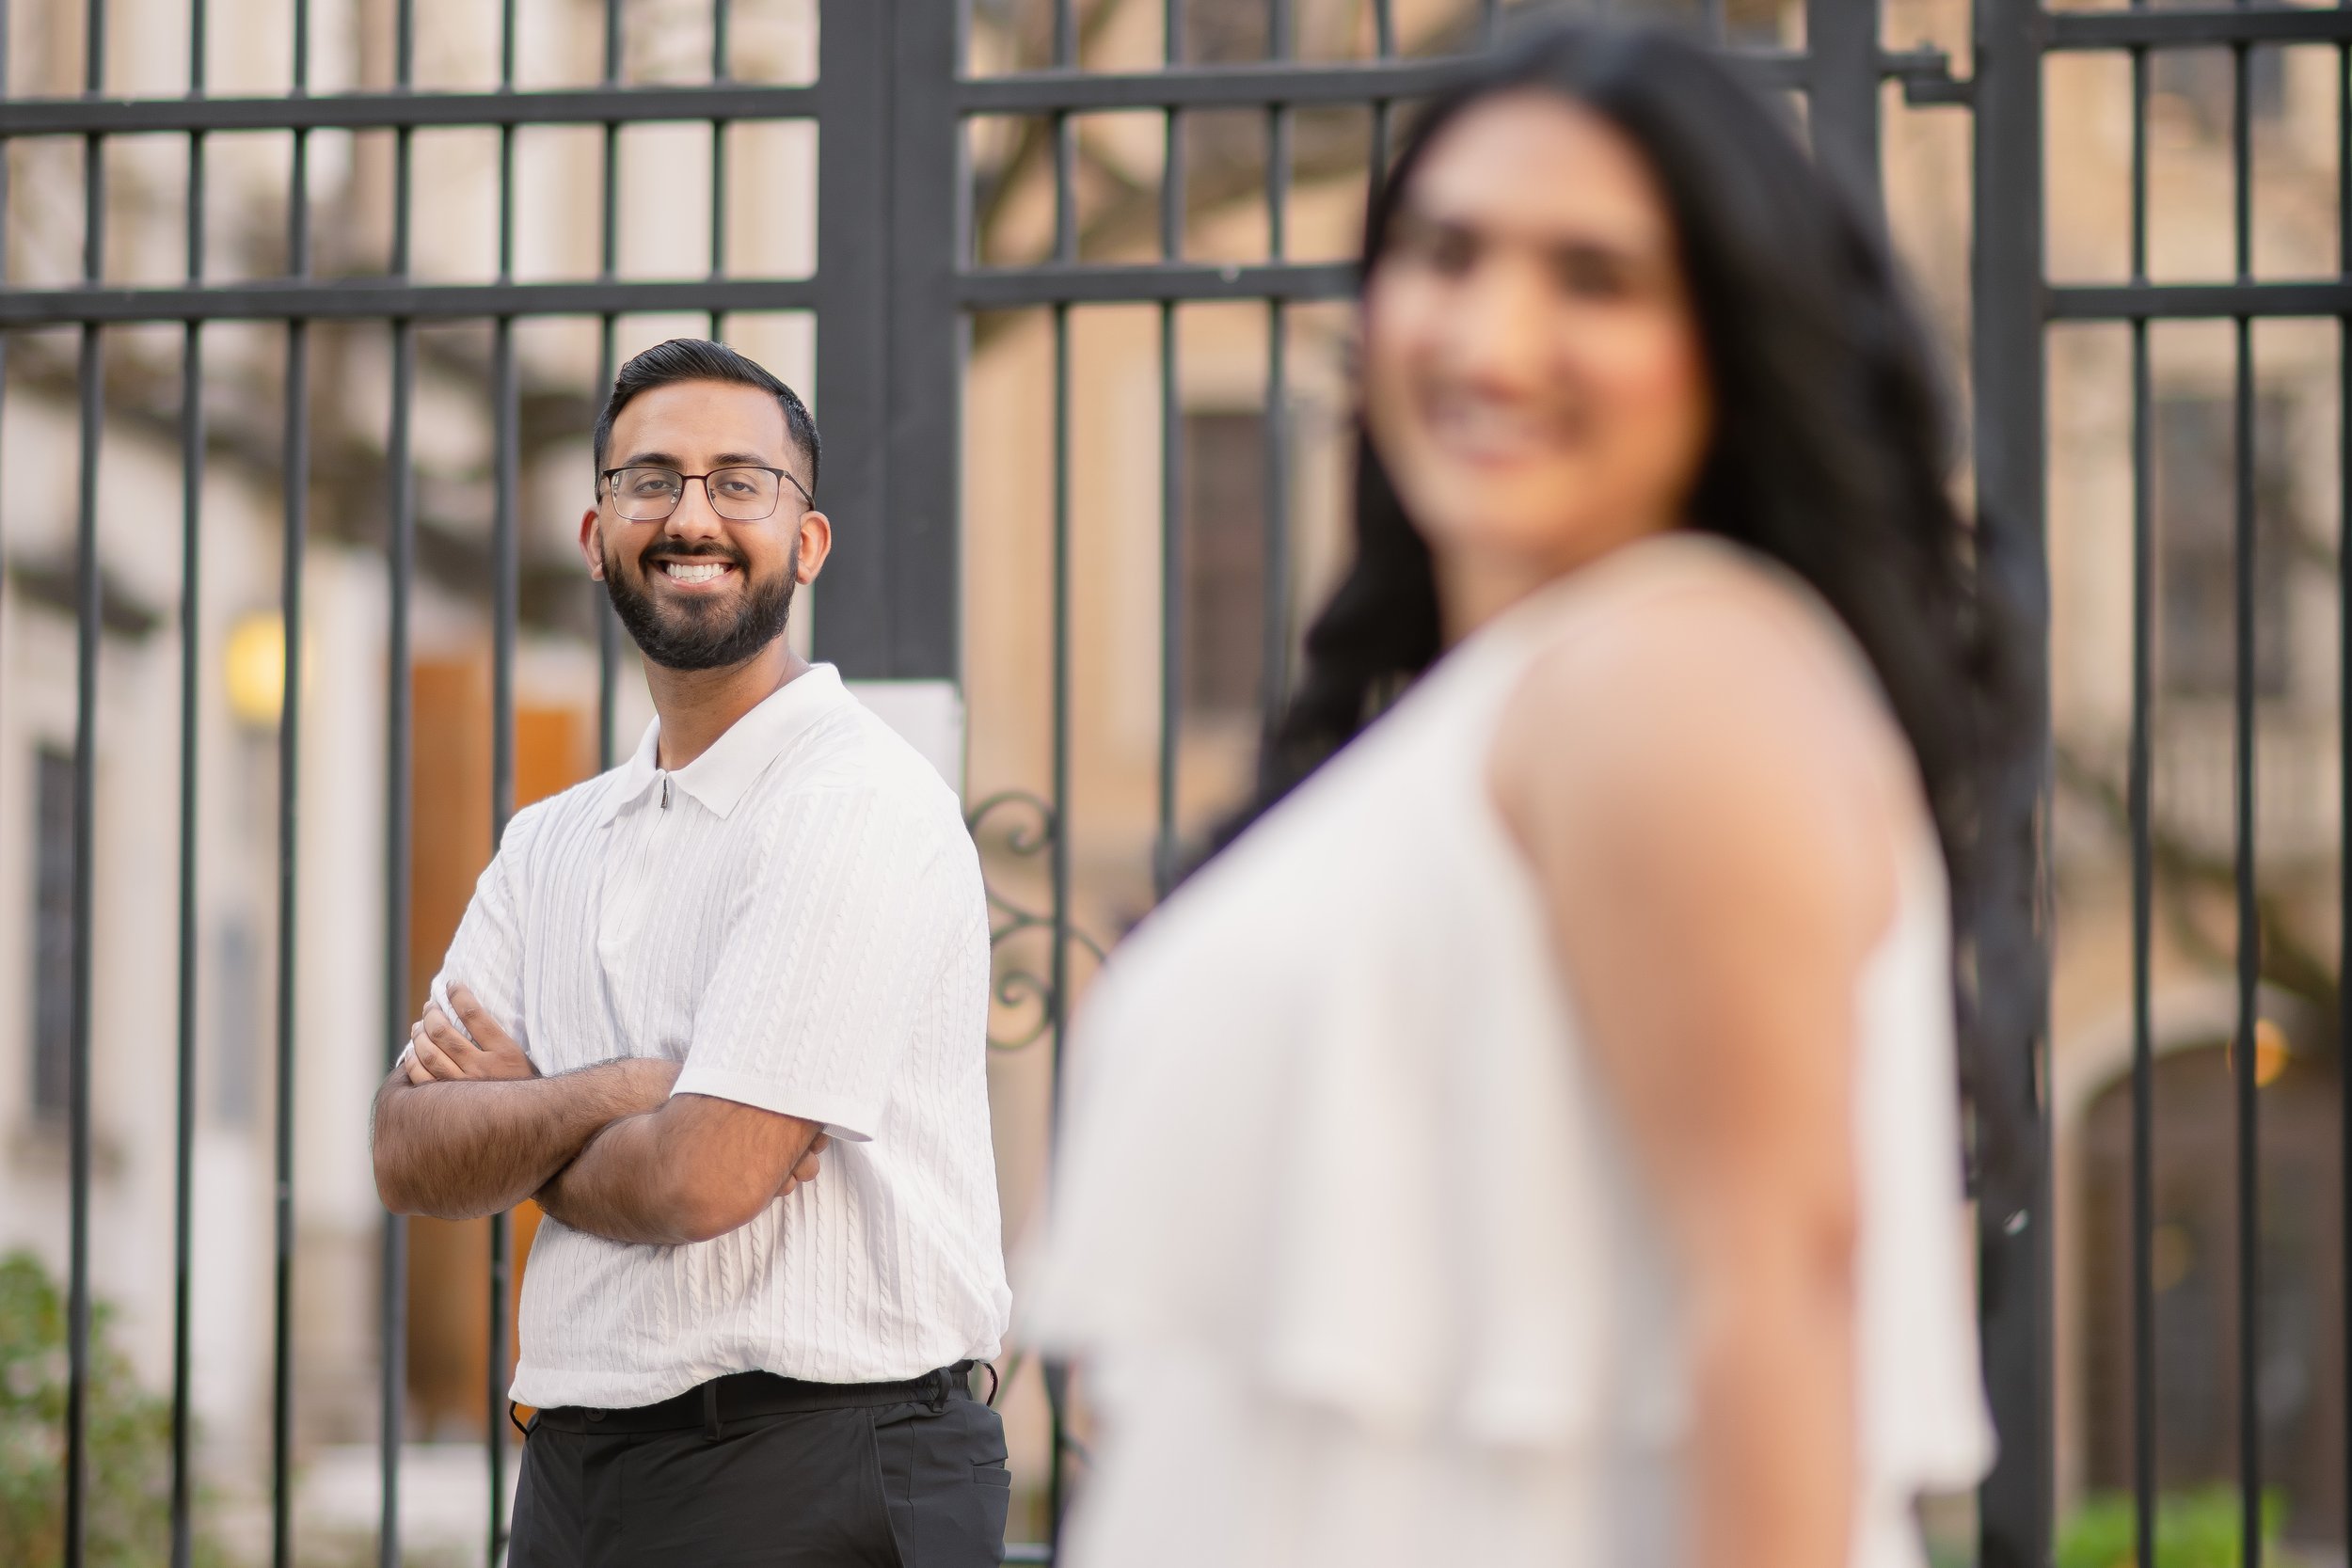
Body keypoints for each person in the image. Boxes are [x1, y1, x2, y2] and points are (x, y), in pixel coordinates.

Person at [1022, 19, 2010, 1568]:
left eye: (1593, 279)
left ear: (1732, 340)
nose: (1488, 338)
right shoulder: (1495, 704)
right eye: (1445, 252)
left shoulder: (1672, 675)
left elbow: (1779, 1318)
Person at [371, 338, 1014, 1567]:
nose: (692, 515)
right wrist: (622, 1094)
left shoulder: (858, 804)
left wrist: (523, 1134)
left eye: (739, 482)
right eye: (650, 480)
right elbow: (408, 1152)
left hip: (819, 1471)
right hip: (577, 1471)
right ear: (596, 529)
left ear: (807, 540)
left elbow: (703, 1181)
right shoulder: (549, 842)